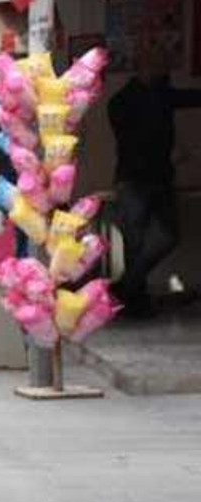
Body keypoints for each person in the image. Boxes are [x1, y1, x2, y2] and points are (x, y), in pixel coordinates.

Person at [108, 46, 201, 317]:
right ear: (145, 67)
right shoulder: (122, 102)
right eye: (161, 65)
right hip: (134, 181)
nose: (166, 71)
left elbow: (190, 98)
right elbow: (132, 142)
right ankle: (134, 301)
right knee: (136, 243)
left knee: (167, 236)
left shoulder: (161, 95)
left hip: (159, 178)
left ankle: (126, 289)